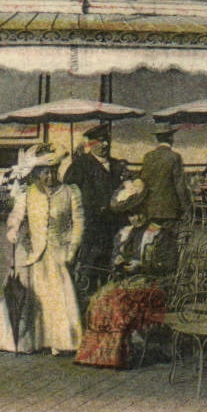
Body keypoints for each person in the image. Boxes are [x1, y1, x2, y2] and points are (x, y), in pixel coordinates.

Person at [0, 145, 84, 355]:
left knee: (56, 297)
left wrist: (71, 250)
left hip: (58, 254)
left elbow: (79, 223)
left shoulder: (71, 192)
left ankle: (59, 341)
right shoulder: (28, 194)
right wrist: (13, 229)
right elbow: (16, 215)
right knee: (31, 296)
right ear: (36, 174)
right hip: (33, 254)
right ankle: (28, 339)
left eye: (54, 171)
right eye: (45, 172)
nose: (50, 176)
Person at [62, 121, 125, 296]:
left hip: (112, 225)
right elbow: (68, 192)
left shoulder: (116, 165)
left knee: (108, 265)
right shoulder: (80, 165)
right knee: (89, 265)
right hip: (90, 225)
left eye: (106, 140)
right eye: (100, 141)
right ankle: (86, 299)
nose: (105, 144)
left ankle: (104, 300)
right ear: (90, 144)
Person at [136, 124, 190, 226]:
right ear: (170, 138)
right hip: (169, 209)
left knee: (152, 238)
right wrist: (186, 207)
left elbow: (142, 180)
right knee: (168, 239)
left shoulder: (148, 156)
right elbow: (180, 185)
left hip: (150, 208)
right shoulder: (174, 157)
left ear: (158, 139)